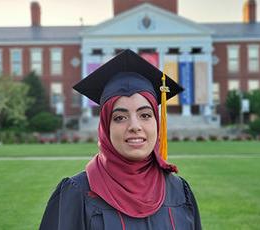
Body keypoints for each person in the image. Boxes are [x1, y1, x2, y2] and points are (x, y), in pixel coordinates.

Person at [39, 49, 201, 230]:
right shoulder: (78, 194)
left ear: (157, 121)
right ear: (105, 127)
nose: (135, 126)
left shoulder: (179, 191)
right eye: (120, 118)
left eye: (145, 115)